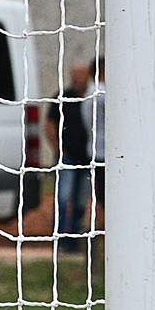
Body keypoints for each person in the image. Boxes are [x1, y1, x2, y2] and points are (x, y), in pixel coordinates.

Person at [47, 61, 99, 250]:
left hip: (87, 158)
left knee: (80, 200)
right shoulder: (63, 97)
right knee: (63, 197)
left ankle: (73, 240)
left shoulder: (94, 98)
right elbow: (49, 125)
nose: (78, 79)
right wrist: (58, 149)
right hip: (67, 158)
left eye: (82, 75)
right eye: (75, 75)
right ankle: (59, 237)